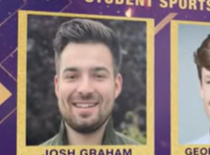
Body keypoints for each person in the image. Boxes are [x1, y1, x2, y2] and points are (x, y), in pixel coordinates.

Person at [41, 18, 140, 146]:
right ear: (57, 86)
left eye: (98, 76)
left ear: (116, 86)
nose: (85, 89)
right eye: (72, 76)